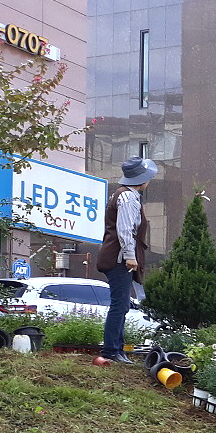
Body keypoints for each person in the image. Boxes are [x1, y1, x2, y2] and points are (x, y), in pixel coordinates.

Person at [95, 155, 154, 364]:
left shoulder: (122, 194)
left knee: (122, 305)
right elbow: (125, 229)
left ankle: (118, 348)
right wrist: (130, 256)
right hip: (119, 258)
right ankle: (111, 350)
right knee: (119, 305)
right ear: (142, 179)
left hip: (118, 256)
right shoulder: (128, 197)